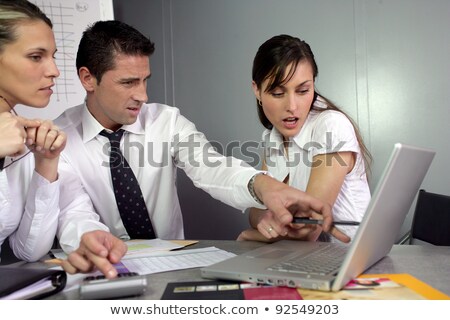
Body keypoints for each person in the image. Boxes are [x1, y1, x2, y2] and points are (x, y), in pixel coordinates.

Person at [56, 21, 350, 276]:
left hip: (167, 265)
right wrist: (89, 237)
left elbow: (210, 165)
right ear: (88, 79)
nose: (143, 95)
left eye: (145, 80)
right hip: (100, 266)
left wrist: (261, 185)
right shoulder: (59, 139)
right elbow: (73, 212)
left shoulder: (165, 120)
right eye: (128, 82)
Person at [239, 34, 371, 243]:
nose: (292, 106)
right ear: (257, 90)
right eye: (277, 93)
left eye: (302, 90)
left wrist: (252, 235)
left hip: (352, 263)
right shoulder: (272, 137)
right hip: (302, 261)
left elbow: (309, 230)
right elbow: (257, 212)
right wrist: (265, 217)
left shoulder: (331, 126)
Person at [0, 0, 66, 261]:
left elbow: (28, 251)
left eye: (53, 56)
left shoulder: (20, 136)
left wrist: (46, 165)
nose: (54, 71)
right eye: (36, 57)